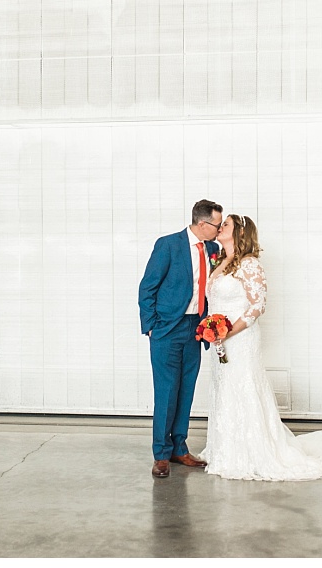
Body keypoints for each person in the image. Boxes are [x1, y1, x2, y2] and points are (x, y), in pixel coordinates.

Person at [199, 214, 322, 481]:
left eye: (226, 225)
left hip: (239, 339)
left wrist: (227, 331)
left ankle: (253, 452)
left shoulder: (249, 264)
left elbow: (257, 306)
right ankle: (226, 450)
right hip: (218, 340)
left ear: (240, 233)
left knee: (243, 386)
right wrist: (211, 330)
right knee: (225, 387)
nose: (220, 228)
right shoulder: (221, 261)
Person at [138, 199, 223, 478]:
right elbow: (147, 286)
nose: (220, 229)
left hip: (195, 329)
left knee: (186, 389)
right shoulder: (168, 245)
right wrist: (151, 326)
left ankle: (179, 448)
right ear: (202, 224)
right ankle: (161, 454)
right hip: (167, 328)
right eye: (217, 225)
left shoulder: (213, 249)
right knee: (166, 391)